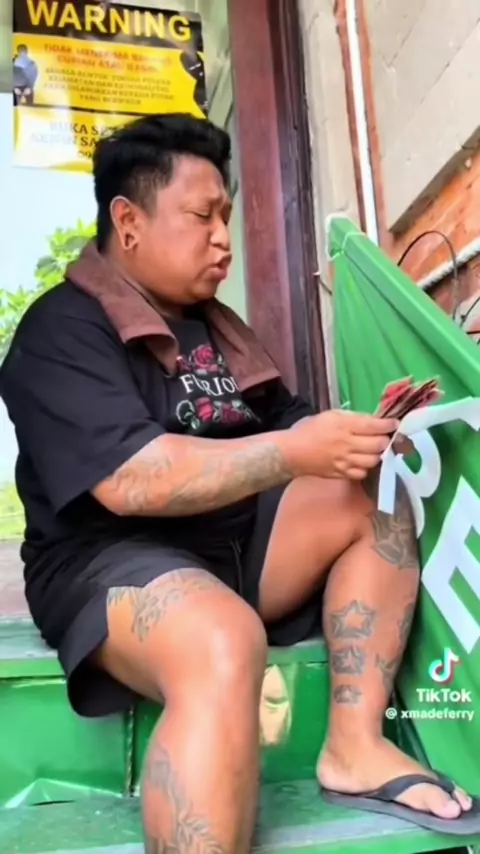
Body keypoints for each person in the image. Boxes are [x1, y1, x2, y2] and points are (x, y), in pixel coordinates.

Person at [0, 114, 477, 853]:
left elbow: (289, 428)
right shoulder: (60, 331)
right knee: (223, 640)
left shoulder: (219, 328)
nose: (224, 238)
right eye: (203, 217)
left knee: (373, 493)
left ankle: (354, 746)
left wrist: (359, 435)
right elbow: (131, 480)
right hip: (108, 563)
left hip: (235, 543)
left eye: (226, 215)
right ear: (128, 221)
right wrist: (295, 450)